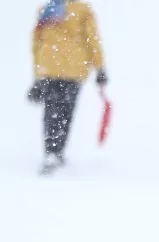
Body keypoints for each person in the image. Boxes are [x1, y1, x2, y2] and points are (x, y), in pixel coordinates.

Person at [28, 0, 107, 175]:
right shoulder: (82, 10)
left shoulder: (46, 10)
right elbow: (92, 39)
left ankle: (51, 151)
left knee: (51, 111)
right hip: (73, 70)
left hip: (49, 68)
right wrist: (100, 68)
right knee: (65, 112)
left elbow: (36, 43)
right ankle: (57, 151)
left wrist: (37, 74)